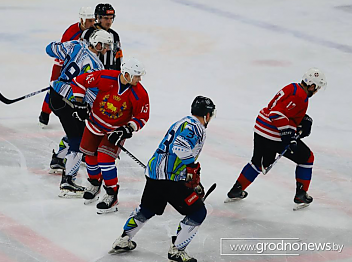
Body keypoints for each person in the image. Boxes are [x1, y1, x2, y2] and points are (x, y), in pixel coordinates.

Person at [110, 96, 216, 262]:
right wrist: (192, 168)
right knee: (198, 212)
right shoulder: (195, 127)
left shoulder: (183, 121)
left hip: (154, 173)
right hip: (169, 179)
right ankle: (177, 250)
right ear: (207, 115)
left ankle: (124, 239)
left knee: (147, 209)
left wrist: (190, 175)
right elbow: (179, 147)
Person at [225, 68, 327, 210]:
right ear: (312, 86)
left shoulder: (293, 87)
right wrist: (288, 137)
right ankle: (301, 194)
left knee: (258, 162)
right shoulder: (300, 96)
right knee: (307, 157)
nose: (316, 92)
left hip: (261, 126)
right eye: (317, 88)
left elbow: (283, 109)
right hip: (273, 132)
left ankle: (236, 190)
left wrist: (301, 120)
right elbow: (277, 114)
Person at [69, 58, 149, 213]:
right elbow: (78, 81)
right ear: (126, 74)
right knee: (90, 157)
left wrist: (126, 130)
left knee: (105, 160)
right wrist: (79, 103)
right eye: (137, 76)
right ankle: (94, 183)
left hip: (115, 132)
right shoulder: (106, 77)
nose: (139, 79)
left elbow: (142, 117)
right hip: (94, 123)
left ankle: (112, 195)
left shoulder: (140, 93)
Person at [45, 29, 113, 198]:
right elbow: (91, 94)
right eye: (104, 46)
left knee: (76, 131)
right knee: (79, 139)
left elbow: (49, 48)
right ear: (97, 44)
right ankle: (68, 181)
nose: (106, 50)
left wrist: (62, 51)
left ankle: (59, 159)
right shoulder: (97, 66)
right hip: (67, 101)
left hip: (54, 94)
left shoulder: (76, 45)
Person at [39, 7, 96, 128]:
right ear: (82, 19)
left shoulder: (94, 31)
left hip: (81, 65)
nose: (92, 24)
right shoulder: (71, 32)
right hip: (63, 64)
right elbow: (63, 52)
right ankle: (44, 113)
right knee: (54, 88)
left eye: (93, 20)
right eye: (89, 21)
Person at [81, 3, 123, 70]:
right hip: (91, 73)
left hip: (108, 74)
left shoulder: (114, 36)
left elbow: (118, 56)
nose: (109, 22)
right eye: (106, 18)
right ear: (98, 18)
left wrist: (118, 73)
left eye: (111, 18)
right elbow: (81, 54)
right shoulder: (87, 34)